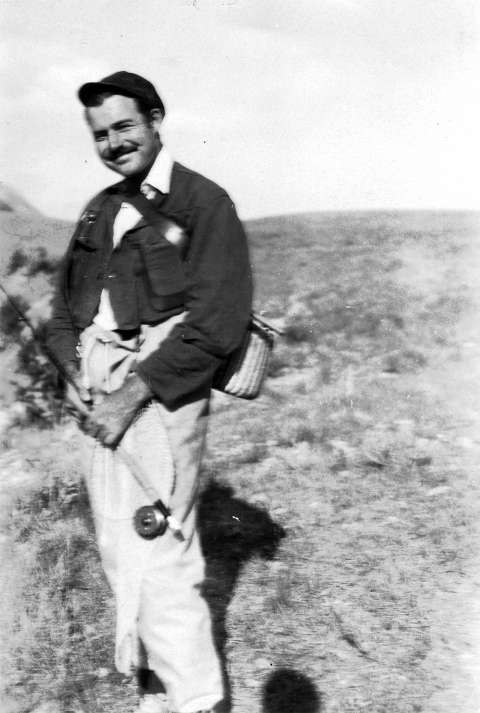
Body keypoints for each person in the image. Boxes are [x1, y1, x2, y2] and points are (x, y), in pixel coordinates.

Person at [46, 71, 252, 713]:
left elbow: (217, 325)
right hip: (99, 400)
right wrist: (72, 377)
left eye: (124, 127)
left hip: (162, 400)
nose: (113, 144)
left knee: (162, 556)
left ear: (156, 119)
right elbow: (61, 313)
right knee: (118, 554)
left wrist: (127, 397)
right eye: (101, 135)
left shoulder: (202, 203)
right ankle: (158, 696)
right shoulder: (97, 209)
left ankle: (198, 702)